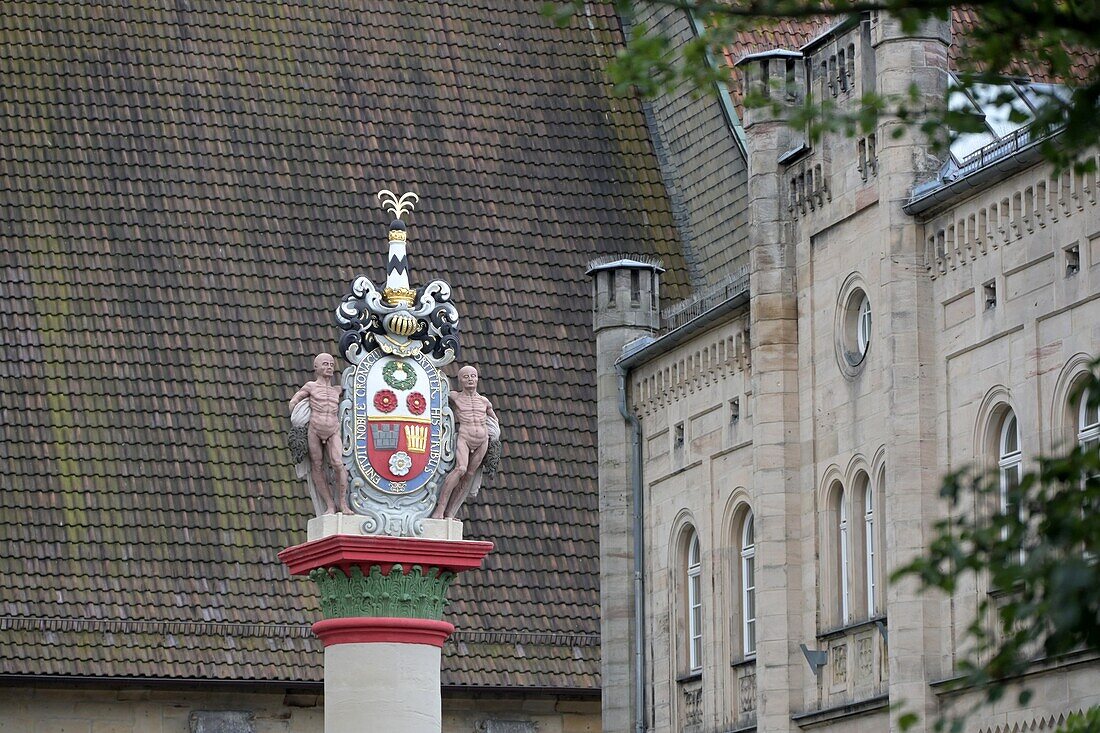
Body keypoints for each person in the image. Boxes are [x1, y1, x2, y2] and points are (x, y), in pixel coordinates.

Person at [431, 365, 498, 519]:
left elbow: (494, 420)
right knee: (460, 469)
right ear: (460, 380)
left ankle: (450, 512)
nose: (470, 379)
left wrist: (495, 436)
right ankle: (440, 510)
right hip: (465, 438)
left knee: (469, 475)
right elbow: (437, 395)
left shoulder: (484, 401)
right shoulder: (454, 397)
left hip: (483, 440)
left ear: (477, 379)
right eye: (466, 376)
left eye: (473, 376)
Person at [289, 353, 352, 515]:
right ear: (316, 367)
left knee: (338, 464)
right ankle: (329, 505)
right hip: (314, 430)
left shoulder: (337, 390)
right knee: (316, 466)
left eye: (331, 364)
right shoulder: (311, 387)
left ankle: (343, 503)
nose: (329, 367)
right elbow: (294, 402)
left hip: (333, 429)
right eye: (325, 364)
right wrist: (297, 414)